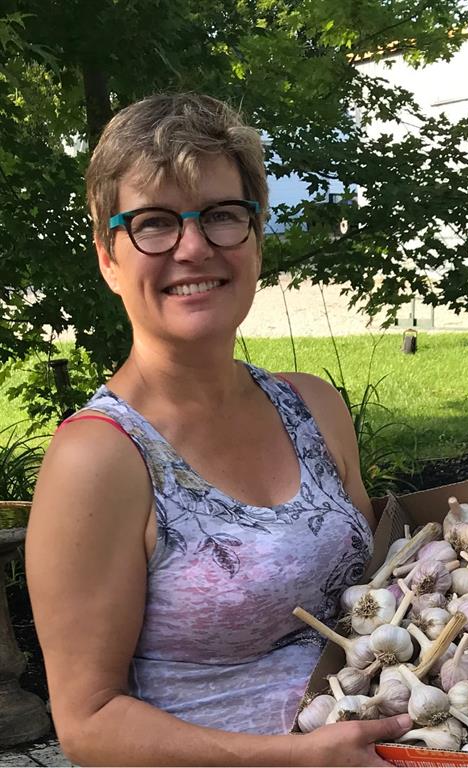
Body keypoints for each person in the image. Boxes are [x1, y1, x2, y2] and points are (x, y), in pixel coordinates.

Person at [26, 92, 412, 766]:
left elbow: (380, 597)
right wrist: (291, 759)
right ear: (107, 255)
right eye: (154, 223)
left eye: (222, 216)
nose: (195, 246)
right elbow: (88, 724)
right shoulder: (100, 457)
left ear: (255, 238)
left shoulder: (315, 408)